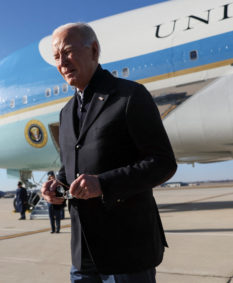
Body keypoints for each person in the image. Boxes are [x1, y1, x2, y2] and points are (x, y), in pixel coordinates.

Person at [41, 23, 177, 283]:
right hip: (83, 254)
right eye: (56, 57)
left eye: (67, 52)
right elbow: (70, 168)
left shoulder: (129, 96)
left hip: (127, 253)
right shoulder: (66, 112)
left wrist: (103, 184)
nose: (62, 62)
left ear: (94, 50)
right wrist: (55, 188)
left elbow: (162, 163)